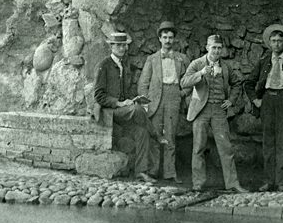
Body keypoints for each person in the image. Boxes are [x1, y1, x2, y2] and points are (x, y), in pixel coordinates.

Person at [94, 32, 167, 182]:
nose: (122, 48)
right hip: (110, 112)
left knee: (141, 132)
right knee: (137, 109)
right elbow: (99, 96)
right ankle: (157, 135)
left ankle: (141, 172)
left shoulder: (124, 65)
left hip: (123, 111)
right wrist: (119, 103)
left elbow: (125, 91)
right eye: (118, 45)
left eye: (124, 45)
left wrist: (132, 99)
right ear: (111, 46)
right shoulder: (104, 65)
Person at [181, 34, 248, 193]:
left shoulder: (226, 67)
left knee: (226, 148)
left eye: (219, 48)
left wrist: (231, 100)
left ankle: (232, 183)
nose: (217, 51)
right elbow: (183, 82)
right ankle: (198, 184)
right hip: (200, 110)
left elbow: (237, 83)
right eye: (213, 48)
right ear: (207, 48)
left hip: (219, 110)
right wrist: (201, 74)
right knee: (198, 147)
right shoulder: (197, 64)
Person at [245, 24, 283, 192]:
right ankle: (268, 181)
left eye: (279, 41)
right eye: (273, 41)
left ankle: (281, 181)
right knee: (268, 141)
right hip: (267, 101)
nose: (276, 44)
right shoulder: (264, 62)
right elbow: (248, 83)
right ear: (269, 43)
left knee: (282, 140)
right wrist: (256, 100)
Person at [137, 21, 189, 183]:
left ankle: (170, 172)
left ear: (174, 40)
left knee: (171, 135)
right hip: (155, 99)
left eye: (171, 38)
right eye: (165, 37)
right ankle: (153, 171)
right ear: (159, 39)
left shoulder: (182, 59)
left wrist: (182, 93)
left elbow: (189, 80)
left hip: (173, 96)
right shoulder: (152, 59)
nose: (168, 41)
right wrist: (145, 102)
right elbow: (143, 83)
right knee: (155, 134)